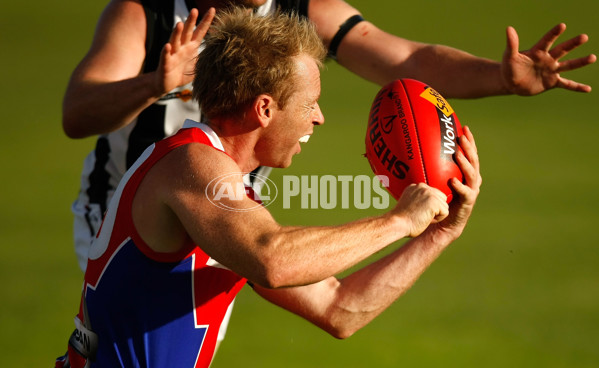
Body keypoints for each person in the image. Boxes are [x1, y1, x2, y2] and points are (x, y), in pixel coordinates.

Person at [43, 8, 482, 368]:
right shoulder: (192, 166)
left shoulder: (225, 196)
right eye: (310, 103)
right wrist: (400, 221)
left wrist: (439, 235)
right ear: (265, 109)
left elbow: (339, 309)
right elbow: (272, 259)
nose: (320, 119)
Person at [64, 0, 595, 273]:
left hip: (234, 208)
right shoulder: (150, 13)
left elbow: (405, 59)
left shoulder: (299, 9)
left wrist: (498, 77)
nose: (319, 119)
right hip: (123, 214)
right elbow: (77, 112)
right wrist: (152, 84)